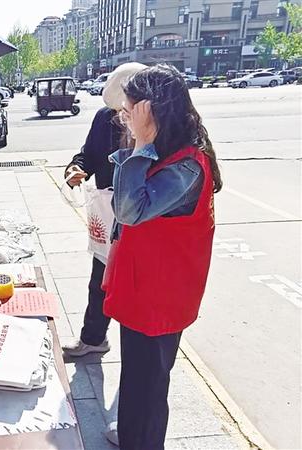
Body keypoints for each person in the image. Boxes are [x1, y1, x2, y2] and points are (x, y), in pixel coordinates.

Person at [102, 64, 222, 449]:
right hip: (146, 288)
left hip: (162, 295)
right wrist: (140, 144)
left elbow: (128, 210)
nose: (125, 118)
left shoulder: (186, 166)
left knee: (150, 387)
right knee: (136, 378)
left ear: (154, 111)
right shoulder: (165, 151)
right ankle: (132, 436)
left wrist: (139, 144)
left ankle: (143, 441)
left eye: (130, 111)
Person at [62, 63, 146, 358]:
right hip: (107, 212)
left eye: (127, 109)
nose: (122, 116)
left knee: (137, 285)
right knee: (100, 279)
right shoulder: (104, 118)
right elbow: (88, 155)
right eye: (118, 111)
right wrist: (76, 169)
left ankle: (139, 348)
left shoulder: (159, 126)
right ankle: (93, 338)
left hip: (142, 217)